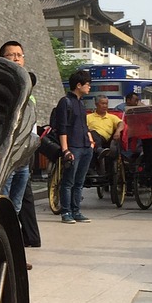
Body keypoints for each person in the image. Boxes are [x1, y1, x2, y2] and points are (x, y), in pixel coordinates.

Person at [0, 40, 36, 265]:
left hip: (24, 156)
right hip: (7, 157)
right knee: (3, 204)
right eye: (10, 55)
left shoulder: (28, 90)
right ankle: (2, 253)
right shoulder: (3, 89)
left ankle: (14, 256)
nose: (16, 58)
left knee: (17, 206)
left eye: (19, 55)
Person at [53, 69, 94, 223]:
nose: (89, 87)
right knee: (68, 181)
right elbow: (62, 127)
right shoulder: (65, 102)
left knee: (79, 182)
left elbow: (84, 125)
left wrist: (90, 142)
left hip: (84, 147)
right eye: (87, 84)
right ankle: (66, 212)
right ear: (78, 85)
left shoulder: (81, 103)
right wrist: (65, 150)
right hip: (73, 147)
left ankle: (76, 211)